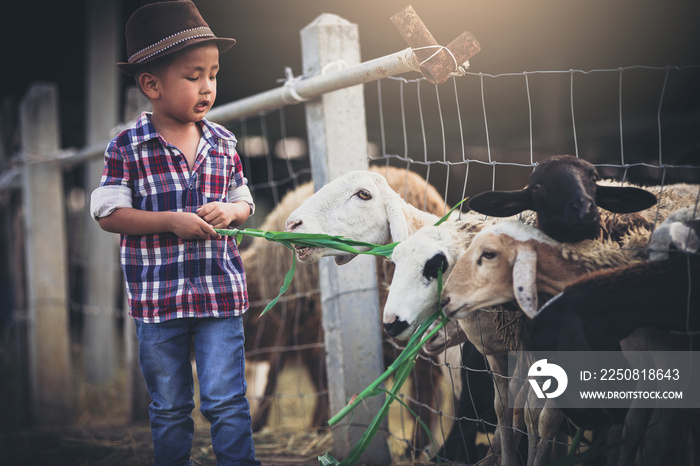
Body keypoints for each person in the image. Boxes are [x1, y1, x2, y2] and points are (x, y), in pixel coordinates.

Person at [90, 1, 259, 464]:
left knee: (226, 400)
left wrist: (232, 210)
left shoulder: (224, 143)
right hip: (158, 301)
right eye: (193, 76)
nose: (208, 87)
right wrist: (170, 221)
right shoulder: (127, 147)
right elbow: (108, 213)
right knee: (169, 406)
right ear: (152, 84)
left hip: (219, 296)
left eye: (213, 74)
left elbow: (245, 200)